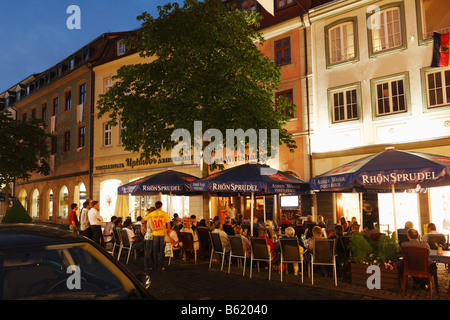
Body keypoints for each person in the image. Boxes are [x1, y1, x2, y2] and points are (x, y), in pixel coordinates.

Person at [146, 201, 171, 271]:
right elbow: (168, 224)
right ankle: (160, 266)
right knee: (161, 251)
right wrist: (168, 232)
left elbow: (143, 220)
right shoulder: (164, 214)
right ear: (161, 206)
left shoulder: (152, 214)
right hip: (162, 234)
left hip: (155, 234)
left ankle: (155, 266)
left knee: (155, 250)